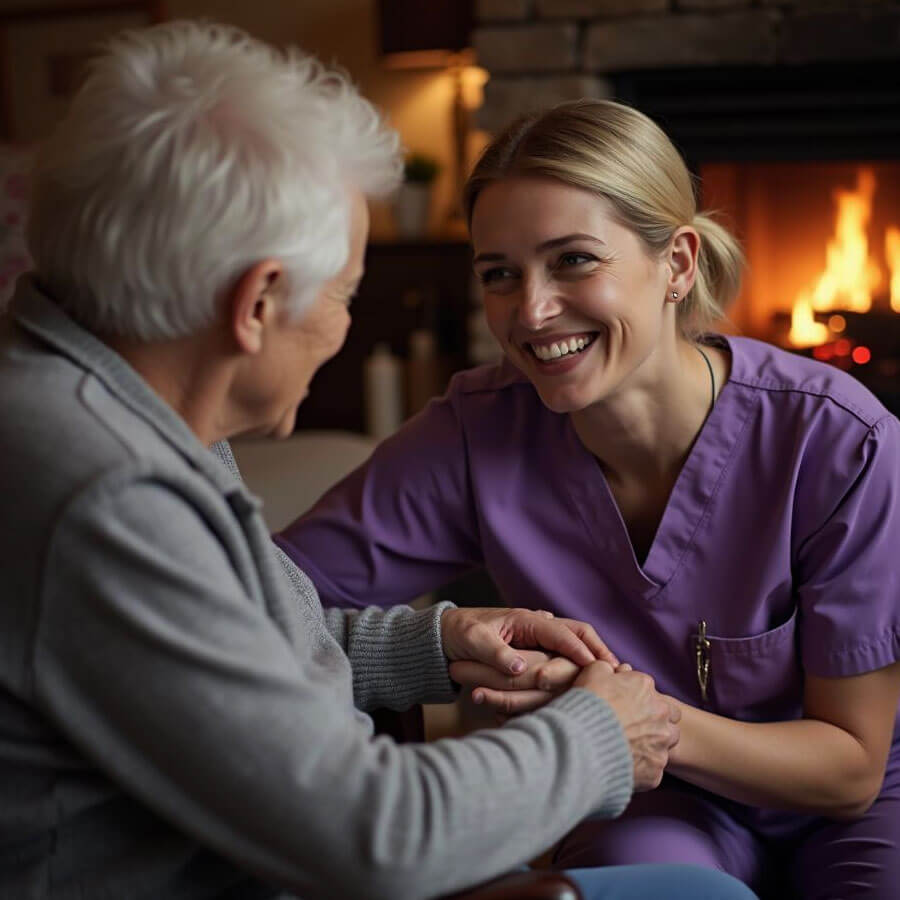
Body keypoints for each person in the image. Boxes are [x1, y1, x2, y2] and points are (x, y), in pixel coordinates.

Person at [0, 21, 757, 900]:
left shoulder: (125, 407)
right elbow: (378, 836)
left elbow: (204, 654)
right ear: (258, 304)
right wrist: (599, 733)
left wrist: (432, 643)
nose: (347, 327)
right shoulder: (108, 488)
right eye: (349, 293)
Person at [274, 99, 900, 899]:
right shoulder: (475, 435)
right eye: (500, 273)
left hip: (853, 804)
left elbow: (851, 768)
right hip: (651, 796)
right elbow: (251, 597)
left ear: (677, 264)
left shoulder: (841, 441)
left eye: (573, 260)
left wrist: (616, 714)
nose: (531, 313)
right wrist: (433, 640)